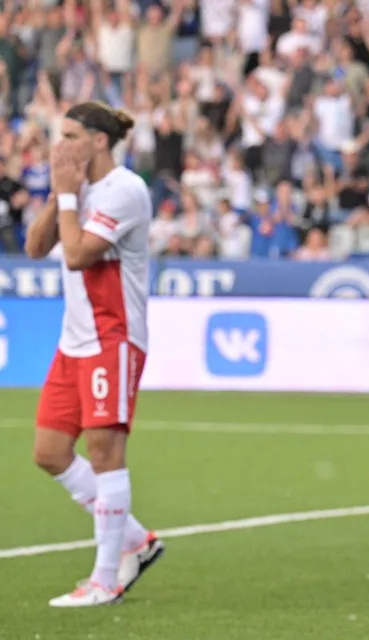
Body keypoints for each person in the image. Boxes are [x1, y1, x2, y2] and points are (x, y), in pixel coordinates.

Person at [24, 100, 161, 607]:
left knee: (105, 454)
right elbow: (36, 248)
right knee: (49, 452)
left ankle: (105, 580)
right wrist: (60, 194)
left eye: (70, 137)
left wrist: (67, 196)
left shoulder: (126, 189)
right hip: (74, 339)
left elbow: (79, 255)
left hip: (112, 336)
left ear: (99, 142)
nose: (59, 147)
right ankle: (136, 540)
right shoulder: (77, 188)